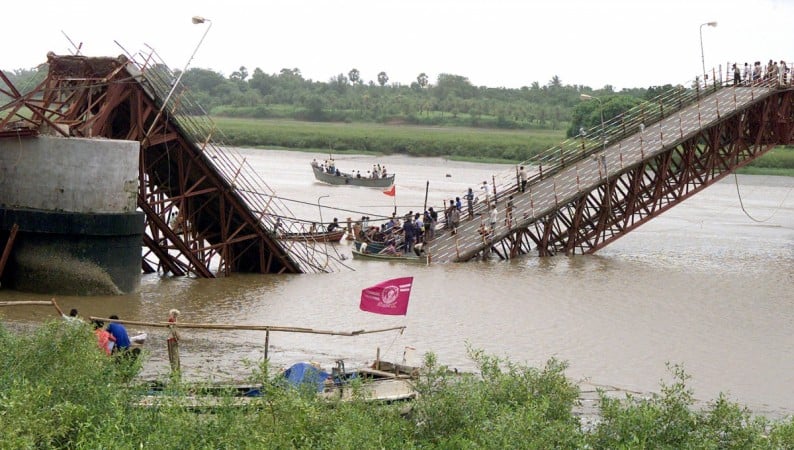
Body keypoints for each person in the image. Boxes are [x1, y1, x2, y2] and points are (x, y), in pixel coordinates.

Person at [167, 309, 181, 374]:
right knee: (175, 356)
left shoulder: (172, 320)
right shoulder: (173, 321)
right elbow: (174, 331)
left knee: (174, 356)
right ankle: (176, 371)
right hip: (173, 340)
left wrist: (177, 338)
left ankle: (175, 371)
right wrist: (177, 338)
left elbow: (174, 331)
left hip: (172, 340)